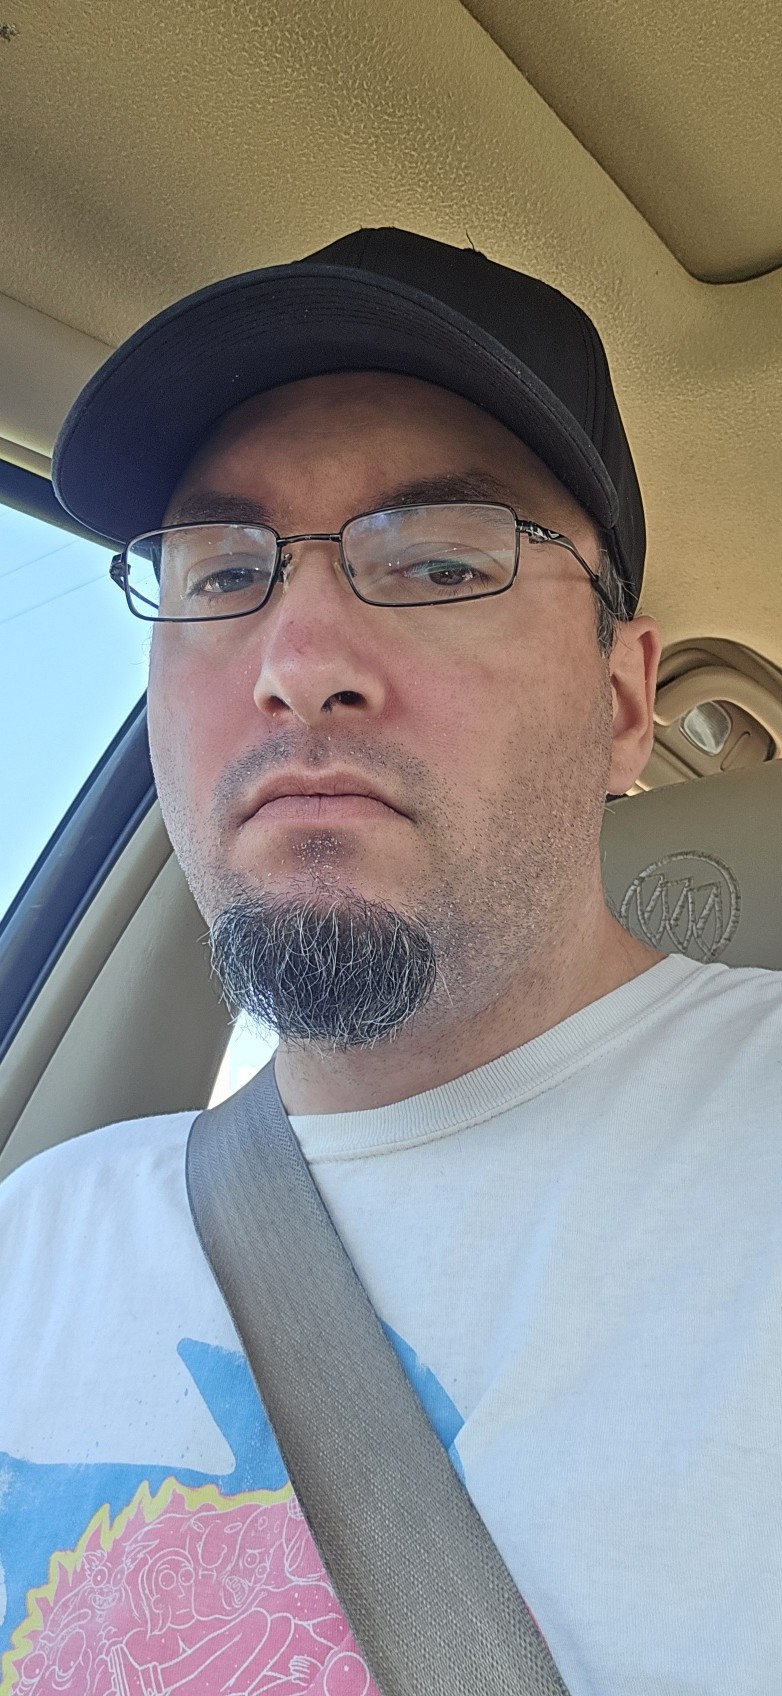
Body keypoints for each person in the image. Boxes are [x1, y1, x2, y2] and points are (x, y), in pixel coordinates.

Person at [1, 227, 781, 1696]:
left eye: (437, 561)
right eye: (218, 572)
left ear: (622, 706)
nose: (295, 662)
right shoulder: (32, 1237)